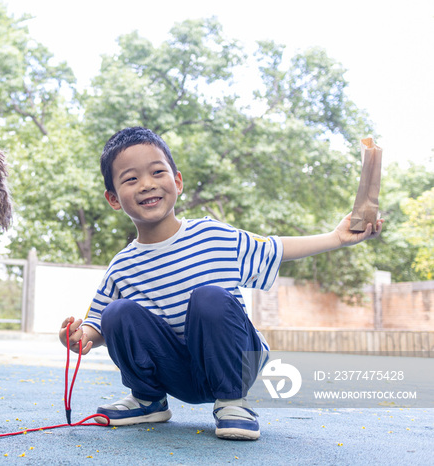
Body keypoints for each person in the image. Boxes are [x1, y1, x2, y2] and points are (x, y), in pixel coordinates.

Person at [58, 126, 383, 440]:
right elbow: (99, 325)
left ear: (178, 181)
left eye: (157, 172)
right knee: (117, 311)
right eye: (131, 179)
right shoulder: (122, 266)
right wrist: (79, 336)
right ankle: (148, 400)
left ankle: (232, 401)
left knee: (209, 298)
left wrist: (336, 237)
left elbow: (277, 247)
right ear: (114, 199)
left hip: (235, 361)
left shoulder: (214, 235)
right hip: (178, 374)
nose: (146, 184)